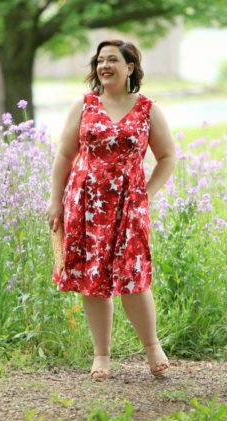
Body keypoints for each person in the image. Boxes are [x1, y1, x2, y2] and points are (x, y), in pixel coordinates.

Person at [46, 40, 177, 380]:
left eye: (113, 60)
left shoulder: (148, 109)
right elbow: (64, 155)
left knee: (133, 277)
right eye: (100, 60)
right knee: (93, 281)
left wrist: (145, 194)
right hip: (85, 204)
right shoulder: (85, 105)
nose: (105, 66)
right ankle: (101, 356)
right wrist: (54, 200)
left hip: (128, 207)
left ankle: (152, 348)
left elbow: (167, 157)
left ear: (130, 67)